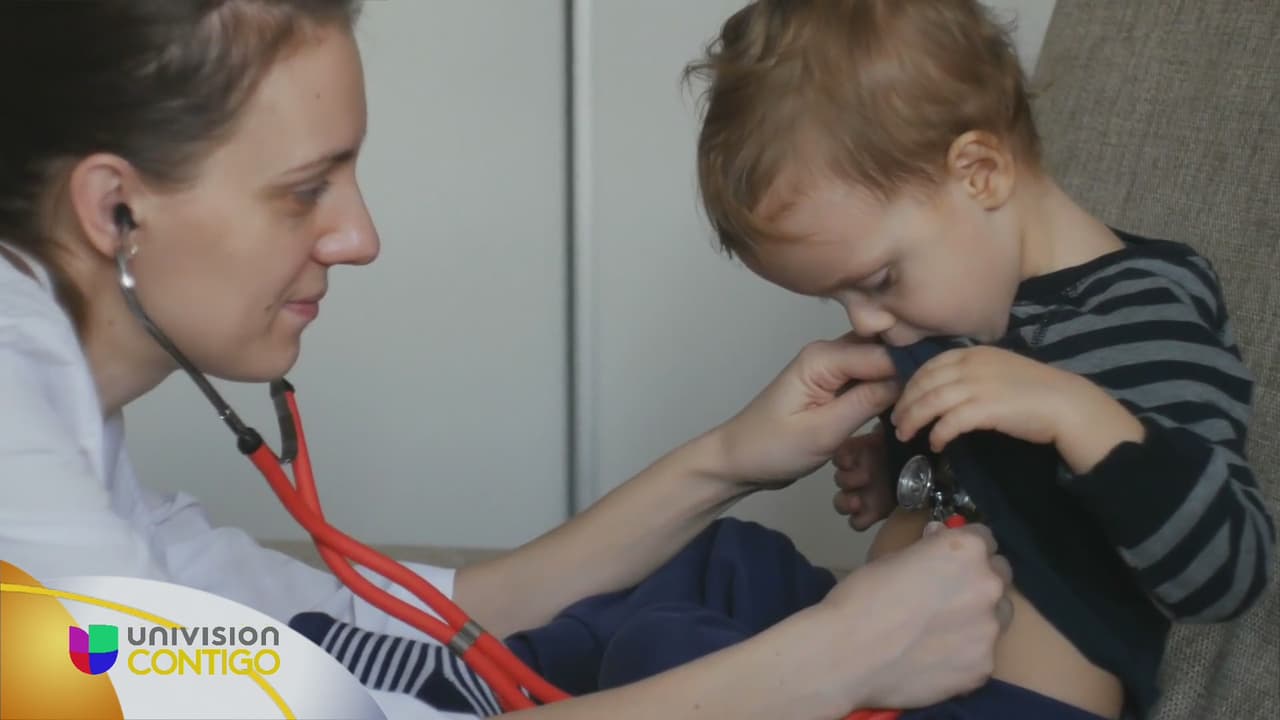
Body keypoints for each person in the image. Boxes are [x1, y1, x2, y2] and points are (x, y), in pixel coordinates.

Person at [0, 2, 1016, 719]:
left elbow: (381, 623)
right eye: (306, 190)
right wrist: (829, 663)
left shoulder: (68, 434)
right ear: (114, 210)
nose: (359, 237)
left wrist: (724, 462)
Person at [683, 1, 1277, 719]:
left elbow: (1230, 569)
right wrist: (895, 467)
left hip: (1013, 700)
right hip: (873, 667)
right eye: (837, 297)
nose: (864, 322)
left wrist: (1076, 412)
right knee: (716, 565)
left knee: (672, 643)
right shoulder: (958, 305)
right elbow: (996, 475)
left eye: (879, 280)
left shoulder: (1142, 308)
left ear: (980, 173)